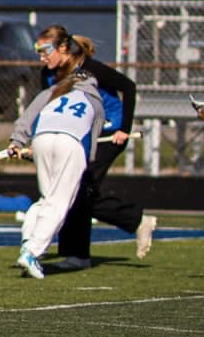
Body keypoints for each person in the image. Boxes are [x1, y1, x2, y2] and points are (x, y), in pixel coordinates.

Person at [35, 25, 157, 268]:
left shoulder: (89, 69)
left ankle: (79, 255)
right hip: (78, 136)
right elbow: (47, 110)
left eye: (46, 50)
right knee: (70, 190)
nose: (42, 56)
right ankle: (131, 221)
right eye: (38, 51)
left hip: (110, 135)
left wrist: (124, 127)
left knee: (78, 190)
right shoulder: (47, 76)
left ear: (62, 47)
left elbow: (128, 87)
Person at [9, 40, 105, 279]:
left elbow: (27, 117)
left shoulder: (53, 91)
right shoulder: (96, 101)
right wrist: (87, 165)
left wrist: (17, 141)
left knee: (46, 198)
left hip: (41, 140)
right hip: (70, 144)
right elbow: (91, 143)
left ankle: (27, 240)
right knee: (60, 202)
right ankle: (31, 252)